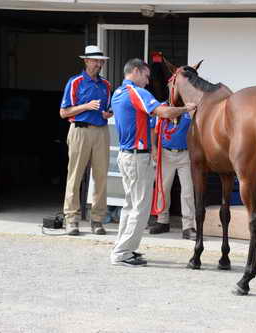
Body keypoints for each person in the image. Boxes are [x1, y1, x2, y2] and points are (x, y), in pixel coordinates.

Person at [110, 58, 196, 267]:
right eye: (146, 76)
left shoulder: (118, 92)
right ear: (137, 71)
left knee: (130, 205)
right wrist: (187, 108)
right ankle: (122, 253)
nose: (148, 81)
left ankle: (124, 248)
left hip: (127, 155)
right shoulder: (136, 92)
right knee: (140, 207)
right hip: (137, 157)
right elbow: (163, 112)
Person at [59, 45, 114, 236]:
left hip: (101, 131)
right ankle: (72, 219)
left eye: (101, 61)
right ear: (86, 61)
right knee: (75, 175)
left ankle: (97, 220)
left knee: (101, 177)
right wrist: (86, 106)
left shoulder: (106, 85)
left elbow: (107, 110)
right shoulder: (75, 82)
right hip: (80, 130)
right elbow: (64, 112)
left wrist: (108, 114)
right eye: (96, 61)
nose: (99, 64)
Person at [149, 113, 196, 240]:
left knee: (188, 190)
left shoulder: (189, 110)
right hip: (165, 152)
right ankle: (162, 221)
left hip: (185, 153)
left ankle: (188, 226)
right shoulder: (163, 108)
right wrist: (153, 147)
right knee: (162, 189)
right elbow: (153, 128)